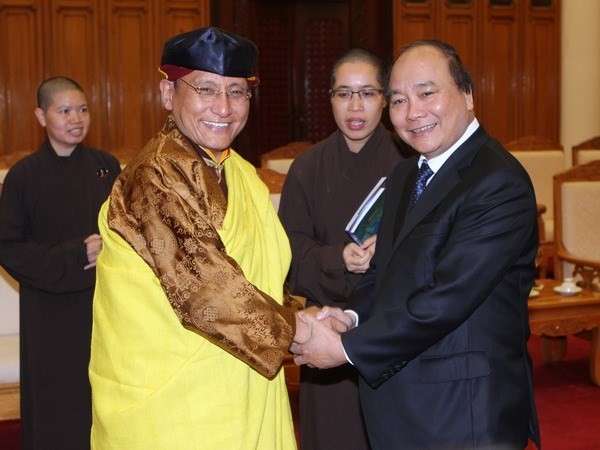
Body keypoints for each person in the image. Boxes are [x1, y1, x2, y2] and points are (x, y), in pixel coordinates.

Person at [88, 26, 342, 449]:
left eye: (237, 92)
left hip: (237, 389)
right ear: (168, 94)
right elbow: (207, 292)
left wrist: (304, 312)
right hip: (171, 405)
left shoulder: (238, 172)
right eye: (205, 89)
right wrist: (301, 329)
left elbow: (258, 277)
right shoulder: (153, 178)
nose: (223, 108)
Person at [291, 40, 541, 449]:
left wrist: (345, 348)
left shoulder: (498, 182)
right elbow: (382, 272)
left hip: (462, 412)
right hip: (400, 403)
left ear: (468, 94)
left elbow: (446, 299)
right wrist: (350, 316)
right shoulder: (407, 174)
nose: (413, 113)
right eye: (399, 100)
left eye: (427, 93)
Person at [278, 47, 407, 450]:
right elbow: (289, 253)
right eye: (343, 93)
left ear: (385, 99)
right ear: (329, 98)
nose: (356, 106)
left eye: (368, 93)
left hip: (394, 330)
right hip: (327, 329)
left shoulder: (409, 161)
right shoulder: (306, 168)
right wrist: (338, 258)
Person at [0, 76, 121, 450]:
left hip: (103, 304)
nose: (76, 119)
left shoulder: (106, 167)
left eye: (82, 109)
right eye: (64, 110)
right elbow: (9, 246)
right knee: (57, 402)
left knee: (102, 397)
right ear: (41, 116)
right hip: (49, 311)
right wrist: (74, 254)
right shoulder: (24, 176)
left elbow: (128, 230)